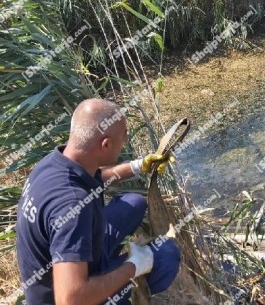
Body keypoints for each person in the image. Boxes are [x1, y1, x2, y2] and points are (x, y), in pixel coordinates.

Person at [16, 99, 180, 305]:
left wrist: (138, 166)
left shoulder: (53, 163)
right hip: (63, 294)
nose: (126, 139)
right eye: (124, 135)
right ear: (106, 144)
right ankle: (130, 295)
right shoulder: (73, 207)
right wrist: (135, 266)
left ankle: (112, 270)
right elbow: (71, 299)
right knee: (166, 255)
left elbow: (92, 177)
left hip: (65, 262)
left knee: (134, 203)